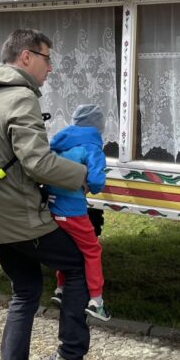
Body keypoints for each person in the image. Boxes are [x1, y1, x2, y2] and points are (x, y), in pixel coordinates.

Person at [0, 28, 94, 360]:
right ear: (25, 57)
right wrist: (80, 176)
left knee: (23, 291)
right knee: (78, 267)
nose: (50, 67)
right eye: (46, 58)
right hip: (19, 216)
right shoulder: (20, 97)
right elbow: (36, 162)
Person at [46, 104, 110, 322]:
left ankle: (61, 288)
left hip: (52, 207)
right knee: (92, 250)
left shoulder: (58, 142)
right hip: (73, 210)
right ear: (97, 125)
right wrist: (93, 186)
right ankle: (96, 301)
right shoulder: (92, 147)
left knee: (68, 248)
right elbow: (96, 180)